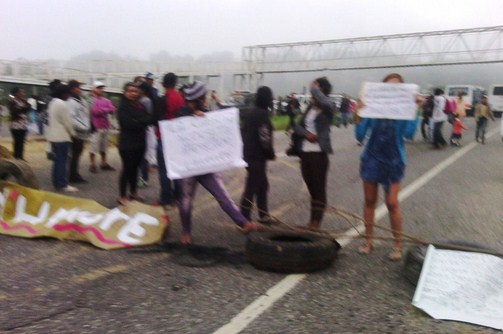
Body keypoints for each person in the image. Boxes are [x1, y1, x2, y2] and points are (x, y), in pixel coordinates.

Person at [174, 81, 262, 245]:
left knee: (222, 196)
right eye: (203, 97)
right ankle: (186, 232)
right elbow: (176, 132)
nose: (206, 99)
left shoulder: (208, 113)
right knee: (185, 200)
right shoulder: (181, 114)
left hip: (207, 166)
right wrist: (192, 119)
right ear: (198, 99)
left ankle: (243, 223)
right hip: (188, 167)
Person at [355, 73, 418, 261]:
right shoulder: (372, 109)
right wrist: (358, 112)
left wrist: (415, 109)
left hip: (394, 160)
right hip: (371, 158)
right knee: (369, 201)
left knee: (392, 202)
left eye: (397, 88)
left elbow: (409, 134)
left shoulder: (405, 111)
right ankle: (368, 241)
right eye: (388, 88)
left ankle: (397, 244)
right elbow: (359, 136)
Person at [294, 77, 336, 230]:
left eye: (316, 90)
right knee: (311, 188)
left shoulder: (329, 107)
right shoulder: (310, 108)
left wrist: (315, 89)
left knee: (319, 189)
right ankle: (311, 222)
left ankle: (316, 223)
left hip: (319, 154)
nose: (313, 94)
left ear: (322, 91)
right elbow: (297, 126)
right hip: (305, 153)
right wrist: (307, 134)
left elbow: (325, 102)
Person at [240, 86, 276, 224]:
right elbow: (264, 137)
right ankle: (244, 218)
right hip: (258, 157)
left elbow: (243, 132)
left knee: (262, 185)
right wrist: (270, 153)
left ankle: (264, 214)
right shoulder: (263, 115)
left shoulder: (249, 113)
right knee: (251, 187)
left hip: (248, 154)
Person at [117, 82, 151, 205]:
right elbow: (128, 124)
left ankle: (133, 192)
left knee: (135, 170)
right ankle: (122, 196)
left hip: (140, 143)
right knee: (127, 170)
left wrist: (138, 121)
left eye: (135, 91)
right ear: (125, 92)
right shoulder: (123, 107)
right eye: (130, 91)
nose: (133, 93)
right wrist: (140, 122)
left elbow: (148, 118)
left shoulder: (140, 105)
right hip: (127, 144)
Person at [154, 72, 185, 208]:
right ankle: (179, 196)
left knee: (164, 170)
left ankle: (166, 200)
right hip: (177, 138)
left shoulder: (162, 99)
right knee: (177, 169)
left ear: (162, 84)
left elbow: (157, 120)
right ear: (176, 83)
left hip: (164, 137)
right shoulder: (181, 99)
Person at [45, 84, 78, 192]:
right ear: (64, 94)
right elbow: (67, 122)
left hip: (53, 136)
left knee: (57, 161)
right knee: (62, 161)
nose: (69, 96)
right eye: (68, 94)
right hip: (62, 136)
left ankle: (56, 182)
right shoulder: (62, 105)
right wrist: (73, 134)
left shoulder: (52, 103)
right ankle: (62, 184)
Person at [88, 81, 116, 173]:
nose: (101, 90)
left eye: (101, 88)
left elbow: (113, 109)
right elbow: (95, 111)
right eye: (98, 88)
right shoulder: (91, 100)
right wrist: (106, 110)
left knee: (104, 146)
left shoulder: (106, 100)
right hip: (95, 126)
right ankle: (92, 164)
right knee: (93, 145)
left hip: (105, 126)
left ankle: (103, 162)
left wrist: (103, 110)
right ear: (94, 89)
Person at [66, 80, 90, 183]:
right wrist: (83, 127)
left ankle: (74, 173)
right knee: (75, 155)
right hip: (76, 133)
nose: (80, 89)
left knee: (77, 155)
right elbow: (71, 119)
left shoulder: (80, 100)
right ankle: (72, 176)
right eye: (78, 87)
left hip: (81, 133)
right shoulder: (71, 102)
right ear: (72, 89)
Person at [136, 82, 156, 188]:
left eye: (138, 89)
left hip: (145, 130)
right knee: (142, 155)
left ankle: (144, 178)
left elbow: (148, 116)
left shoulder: (146, 101)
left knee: (144, 155)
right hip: (142, 130)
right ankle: (142, 178)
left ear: (143, 90)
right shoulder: (141, 100)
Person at [7, 87, 29, 160]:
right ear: (16, 93)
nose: (23, 94)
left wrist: (21, 109)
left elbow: (28, 107)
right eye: (21, 92)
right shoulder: (12, 102)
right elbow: (13, 111)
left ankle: (21, 157)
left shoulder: (23, 101)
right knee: (17, 141)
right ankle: (16, 157)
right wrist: (22, 109)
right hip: (15, 125)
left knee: (22, 141)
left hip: (23, 124)